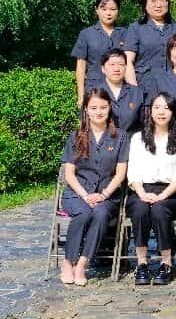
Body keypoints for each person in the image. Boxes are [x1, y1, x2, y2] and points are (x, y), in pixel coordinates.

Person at [59, 88, 129, 286]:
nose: (99, 112)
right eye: (94, 108)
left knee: (100, 213)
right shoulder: (75, 136)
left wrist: (104, 195)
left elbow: (120, 173)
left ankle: (82, 264)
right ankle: (68, 262)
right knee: (83, 213)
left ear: (110, 108)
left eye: (103, 107)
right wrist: (85, 195)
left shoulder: (120, 136)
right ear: (86, 110)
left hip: (107, 195)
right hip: (77, 194)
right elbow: (69, 174)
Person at [126, 93, 176, 286]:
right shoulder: (138, 138)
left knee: (160, 210)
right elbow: (133, 171)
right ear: (150, 111)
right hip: (141, 190)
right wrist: (142, 193)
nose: (161, 112)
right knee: (140, 209)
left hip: (171, 192)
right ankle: (142, 263)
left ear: (173, 112)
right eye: (157, 107)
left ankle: (166, 262)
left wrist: (162, 195)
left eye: (166, 108)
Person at [72, 0, 127, 107]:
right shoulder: (86, 34)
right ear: (96, 10)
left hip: (120, 91)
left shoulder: (126, 34)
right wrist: (81, 95)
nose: (108, 13)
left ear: (118, 11)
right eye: (104, 9)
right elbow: (80, 67)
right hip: (94, 89)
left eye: (113, 9)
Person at [124, 0, 174, 92]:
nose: (158, 5)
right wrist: (134, 91)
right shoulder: (135, 28)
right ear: (145, 4)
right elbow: (128, 62)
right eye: (153, 1)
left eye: (162, 0)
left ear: (168, 3)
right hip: (145, 88)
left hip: (172, 87)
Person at [98, 48, 145, 133]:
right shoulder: (95, 93)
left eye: (121, 64)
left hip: (131, 140)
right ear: (103, 69)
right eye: (112, 64)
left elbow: (143, 124)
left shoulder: (137, 93)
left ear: (125, 67)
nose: (116, 69)